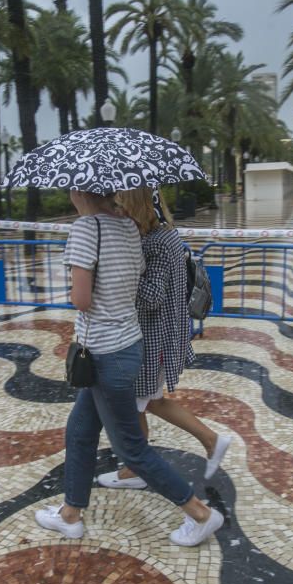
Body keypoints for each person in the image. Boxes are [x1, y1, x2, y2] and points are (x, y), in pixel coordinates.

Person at [34, 189, 224, 547]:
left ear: (80, 190)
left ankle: (200, 513)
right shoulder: (127, 227)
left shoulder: (86, 228)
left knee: (132, 448)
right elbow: (133, 282)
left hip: (104, 353)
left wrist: (77, 283)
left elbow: (82, 299)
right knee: (79, 431)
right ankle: (70, 515)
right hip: (127, 344)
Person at [96, 187, 232, 491]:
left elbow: (152, 296)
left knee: (136, 405)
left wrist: (123, 274)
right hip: (165, 333)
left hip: (154, 338)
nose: (116, 210)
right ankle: (210, 441)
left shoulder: (155, 242)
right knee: (151, 402)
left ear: (132, 205)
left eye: (120, 204)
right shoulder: (167, 233)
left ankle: (138, 468)